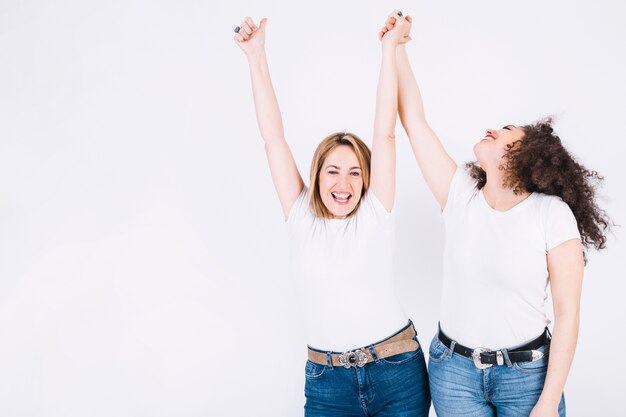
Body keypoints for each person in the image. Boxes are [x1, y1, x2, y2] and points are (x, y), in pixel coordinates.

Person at [380, 14, 610, 417]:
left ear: (527, 157)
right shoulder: (460, 196)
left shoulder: (552, 216)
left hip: (527, 378)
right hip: (454, 374)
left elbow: (568, 315)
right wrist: (398, 49)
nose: (493, 130)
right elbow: (413, 121)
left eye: (507, 131)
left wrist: (548, 401)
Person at [234, 11, 430, 417]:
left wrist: (389, 50)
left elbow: (385, 132)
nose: (344, 184)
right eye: (334, 171)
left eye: (355, 173)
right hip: (327, 383)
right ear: (317, 175)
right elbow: (273, 139)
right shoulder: (301, 218)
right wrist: (256, 57)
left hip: (397, 370)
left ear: (366, 180)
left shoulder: (376, 213)